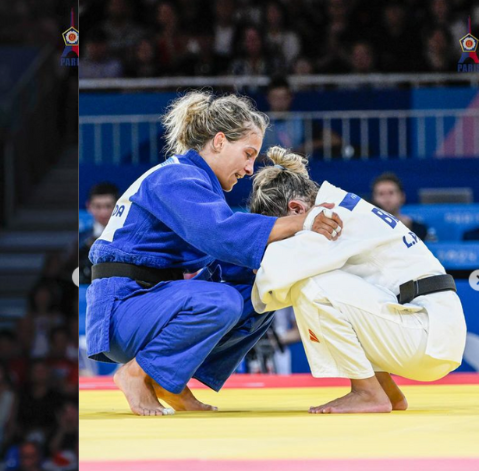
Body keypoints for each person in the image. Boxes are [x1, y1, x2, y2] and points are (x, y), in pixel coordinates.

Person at [85, 91, 343, 416]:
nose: (250, 168)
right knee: (221, 302)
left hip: (153, 301)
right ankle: (136, 374)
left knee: (261, 291)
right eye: (248, 154)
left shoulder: (199, 183)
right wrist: (300, 221)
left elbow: (225, 251)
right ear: (219, 141)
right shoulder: (177, 177)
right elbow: (222, 235)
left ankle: (169, 380)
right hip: (123, 308)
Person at [249, 147, 466, 413]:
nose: (285, 236)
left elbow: (272, 283)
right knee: (332, 287)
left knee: (311, 285)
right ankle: (387, 391)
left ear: (296, 209)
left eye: (283, 230)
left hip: (425, 335)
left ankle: (367, 392)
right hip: (431, 331)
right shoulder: (343, 204)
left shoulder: (327, 216)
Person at [79, 182, 119, 284]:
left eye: (108, 206)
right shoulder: (81, 240)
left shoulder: (127, 236)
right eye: (98, 206)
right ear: (89, 206)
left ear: (118, 206)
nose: (103, 212)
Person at [371, 172, 429, 241]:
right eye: (381, 194)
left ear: (402, 197)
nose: (386, 198)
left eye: (391, 193)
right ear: (373, 198)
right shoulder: (369, 230)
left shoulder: (420, 229)